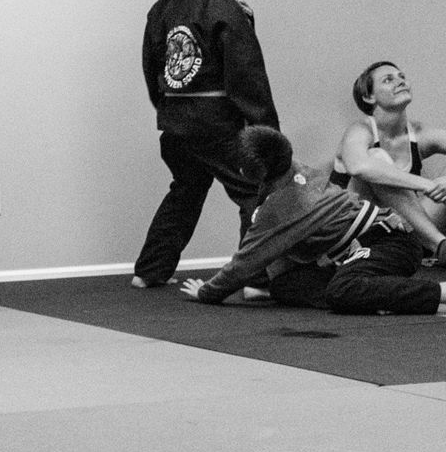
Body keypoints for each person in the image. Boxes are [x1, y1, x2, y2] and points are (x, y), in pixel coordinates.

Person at [132, 0, 277, 289]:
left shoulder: (165, 4)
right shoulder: (227, 7)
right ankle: (254, 277)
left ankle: (149, 271)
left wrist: (167, 108)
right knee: (253, 193)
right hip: (217, 124)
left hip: (176, 119)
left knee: (186, 189)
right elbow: (245, 74)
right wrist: (267, 131)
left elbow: (152, 66)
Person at [180, 126, 445, 315]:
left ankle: (439, 292)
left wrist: (207, 292)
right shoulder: (293, 167)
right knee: (284, 286)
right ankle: (373, 296)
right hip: (358, 248)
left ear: (246, 173)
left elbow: (245, 262)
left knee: (343, 290)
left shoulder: (282, 208)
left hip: (389, 242)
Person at [329, 61, 446, 259]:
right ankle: (439, 246)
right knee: (376, 157)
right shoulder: (359, 131)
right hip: (356, 233)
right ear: (369, 97)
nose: (400, 82)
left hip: (406, 231)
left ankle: (435, 248)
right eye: (388, 80)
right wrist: (427, 185)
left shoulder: (419, 133)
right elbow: (359, 166)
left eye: (402, 77)